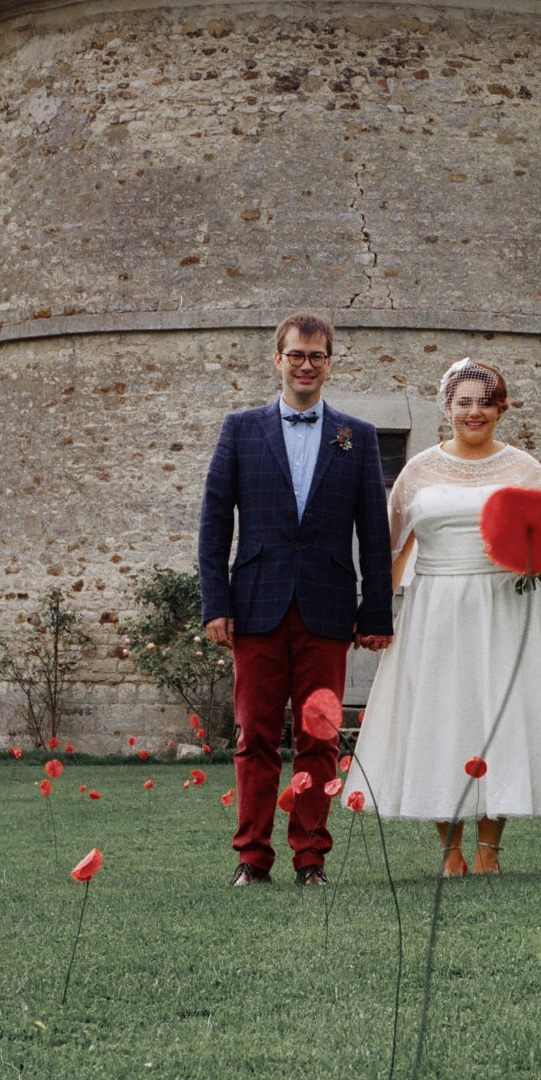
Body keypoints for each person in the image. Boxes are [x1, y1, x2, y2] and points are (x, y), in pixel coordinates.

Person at [348, 358, 541, 876]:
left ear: (500, 408)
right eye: (463, 402)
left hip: (505, 607)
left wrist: (530, 561)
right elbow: (394, 548)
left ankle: (489, 851)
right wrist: (375, 615)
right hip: (435, 608)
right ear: (446, 407)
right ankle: (450, 853)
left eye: (485, 402)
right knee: (443, 720)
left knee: (498, 720)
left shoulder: (525, 468)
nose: (474, 412)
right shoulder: (417, 472)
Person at [198, 312, 394, 887]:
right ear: (277, 359)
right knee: (253, 735)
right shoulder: (239, 429)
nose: (305, 365)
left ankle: (311, 860)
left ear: (330, 363)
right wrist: (216, 602)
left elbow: (373, 534)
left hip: (328, 610)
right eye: (295, 355)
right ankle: (251, 859)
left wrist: (375, 612)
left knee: (319, 737)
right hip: (256, 605)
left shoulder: (357, 437)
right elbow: (214, 524)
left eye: (317, 356)